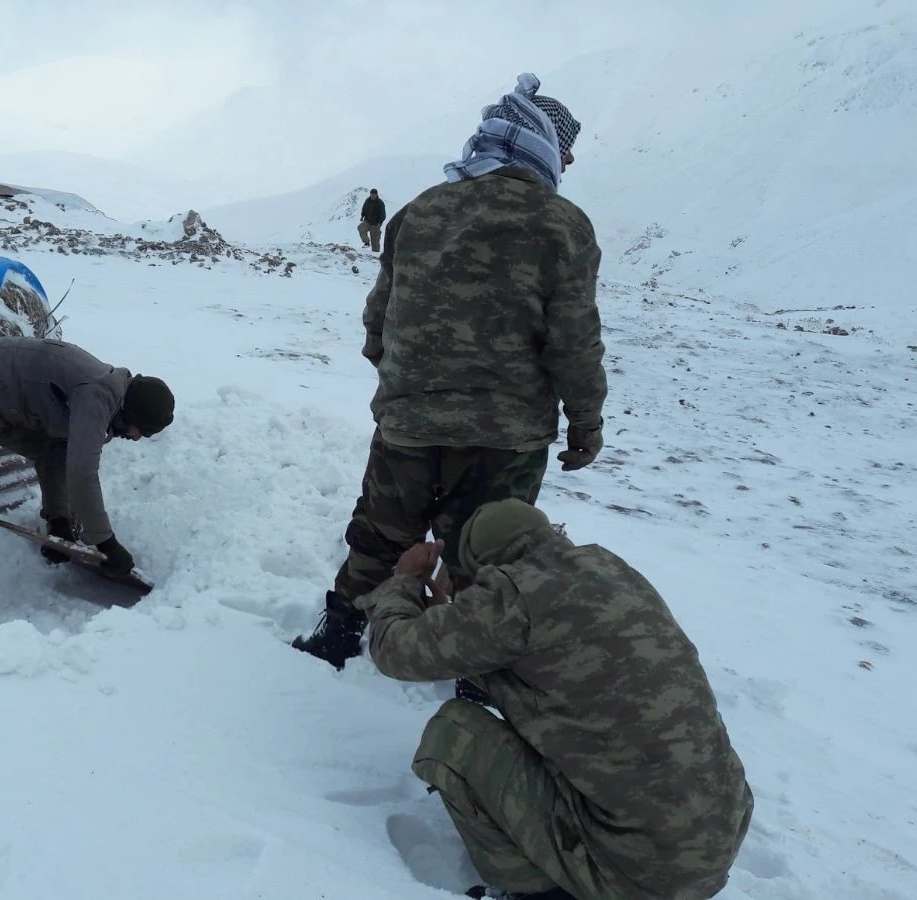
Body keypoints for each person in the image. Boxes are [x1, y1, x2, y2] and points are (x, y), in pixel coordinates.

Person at [293, 73, 606, 677]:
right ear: (541, 142)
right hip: (507, 434)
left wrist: (407, 382)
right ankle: (477, 680)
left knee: (380, 532)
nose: (568, 160)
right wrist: (585, 420)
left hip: (409, 420)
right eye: (565, 147)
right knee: (490, 553)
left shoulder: (420, 211)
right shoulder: (563, 224)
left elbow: (378, 320)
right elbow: (574, 340)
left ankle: (337, 639)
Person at [359, 499, 754, 900]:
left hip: (639, 872)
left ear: (490, 567)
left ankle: (536, 892)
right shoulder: (610, 570)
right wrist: (452, 620)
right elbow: (538, 663)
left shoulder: (512, 598)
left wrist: (405, 581)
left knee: (452, 734)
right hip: (716, 842)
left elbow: (395, 650)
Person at [0, 336, 174, 629]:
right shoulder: (98, 395)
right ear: (132, 415)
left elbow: (61, 453)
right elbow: (82, 474)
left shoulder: (108, 396)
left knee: (55, 446)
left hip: (1, 402)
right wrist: (106, 542)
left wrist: (60, 524)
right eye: (140, 431)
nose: (135, 438)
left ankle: (58, 520)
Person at [358, 188, 386, 252]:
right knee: (360, 228)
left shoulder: (380, 203)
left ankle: (375, 256)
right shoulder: (367, 201)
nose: (372, 196)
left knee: (375, 243)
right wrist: (362, 216)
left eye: (373, 194)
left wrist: (379, 223)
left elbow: (383, 214)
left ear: (376, 195)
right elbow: (364, 209)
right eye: (371, 194)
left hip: (376, 224)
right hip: (367, 221)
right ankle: (366, 242)